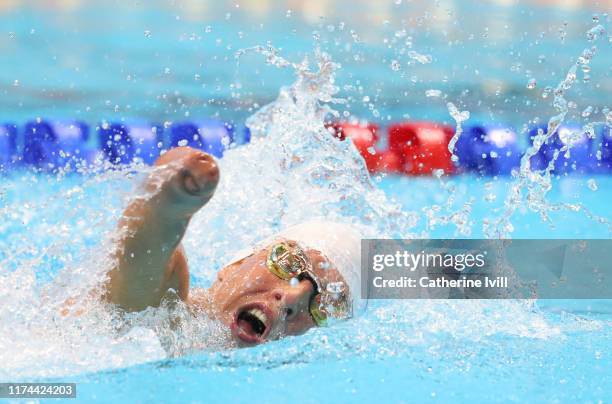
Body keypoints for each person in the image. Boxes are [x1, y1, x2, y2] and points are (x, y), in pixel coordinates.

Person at [104, 147, 362, 346]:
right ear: (234, 265)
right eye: (289, 261)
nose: (293, 297)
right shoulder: (165, 307)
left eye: (327, 304)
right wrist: (175, 199)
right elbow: (149, 244)